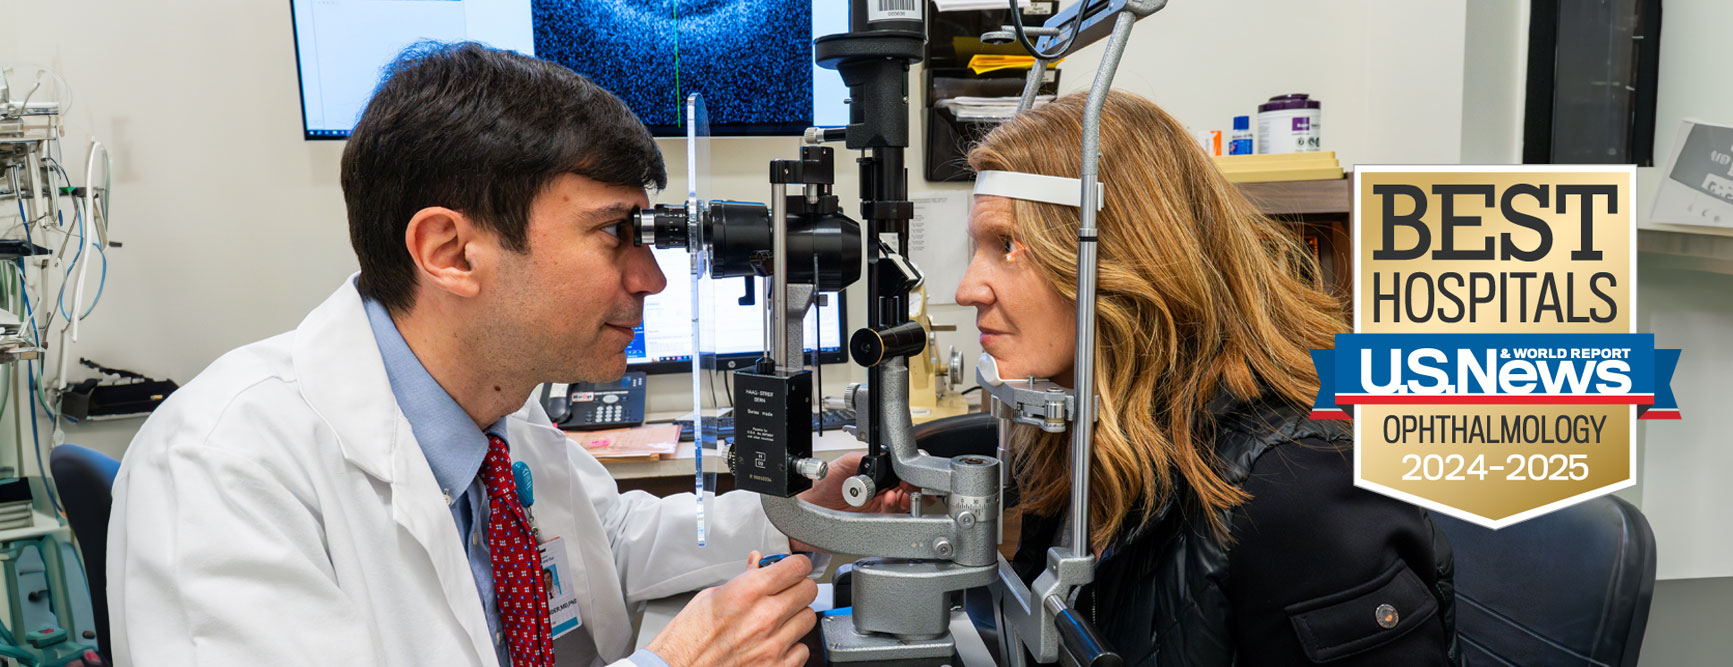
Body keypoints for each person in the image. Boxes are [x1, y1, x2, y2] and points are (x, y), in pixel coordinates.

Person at [106, 42, 905, 667]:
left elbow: (608, 542)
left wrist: (804, 525)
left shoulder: (497, 410)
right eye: (612, 232)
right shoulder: (221, 471)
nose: (651, 277)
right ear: (450, 251)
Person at [955, 90, 1458, 666]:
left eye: (1007, 245)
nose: (967, 288)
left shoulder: (1295, 493)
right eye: (977, 247)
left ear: (1121, 255)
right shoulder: (1084, 438)